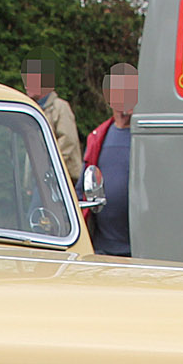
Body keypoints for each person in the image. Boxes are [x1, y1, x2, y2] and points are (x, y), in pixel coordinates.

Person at [82, 62, 137, 257]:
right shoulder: (98, 137)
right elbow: (84, 189)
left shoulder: (146, 138)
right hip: (103, 251)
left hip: (140, 251)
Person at [22, 58, 80, 184]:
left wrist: (48, 167)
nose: (26, 86)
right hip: (40, 181)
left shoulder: (60, 107)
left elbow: (68, 140)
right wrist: (28, 182)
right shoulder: (32, 111)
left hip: (59, 181)